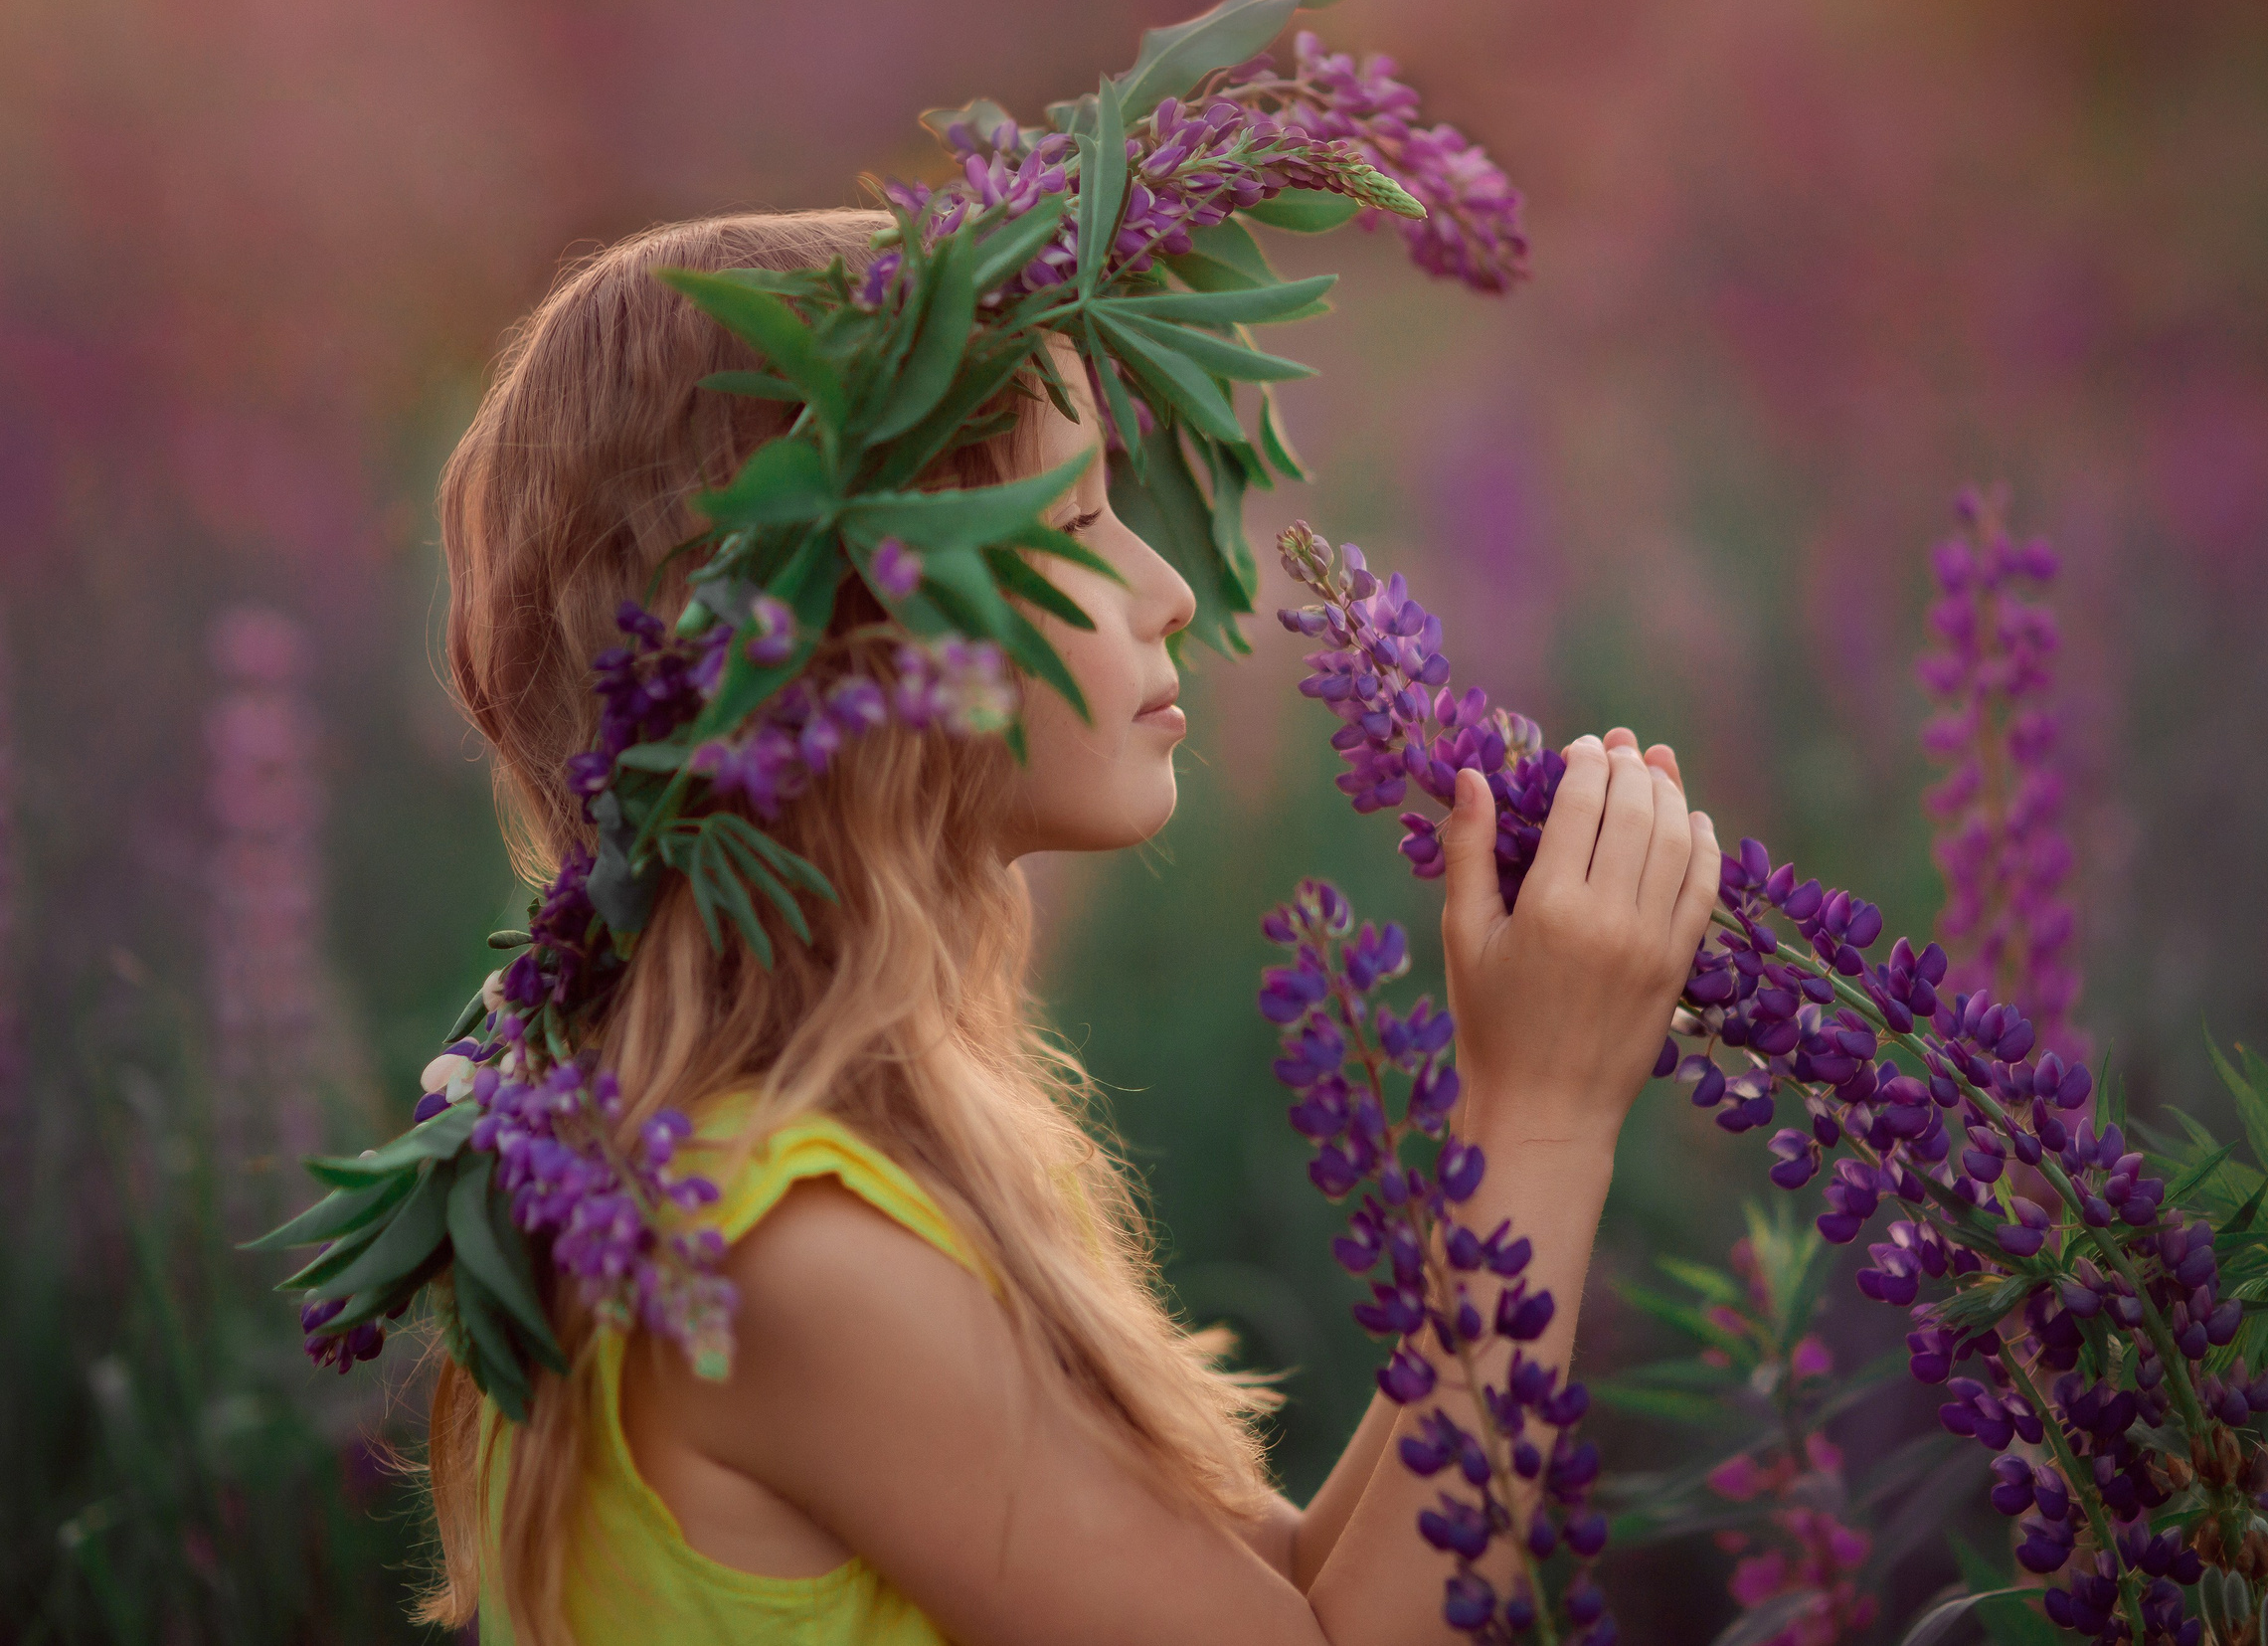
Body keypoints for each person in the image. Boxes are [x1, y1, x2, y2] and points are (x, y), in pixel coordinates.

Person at [423, 205, 1721, 1646]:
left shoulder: (826, 1159)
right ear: (863, 628)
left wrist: (1501, 1113)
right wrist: (1551, 1114)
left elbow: (1285, 1598)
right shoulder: (766, 1255)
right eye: (1080, 520)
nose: (1168, 593)